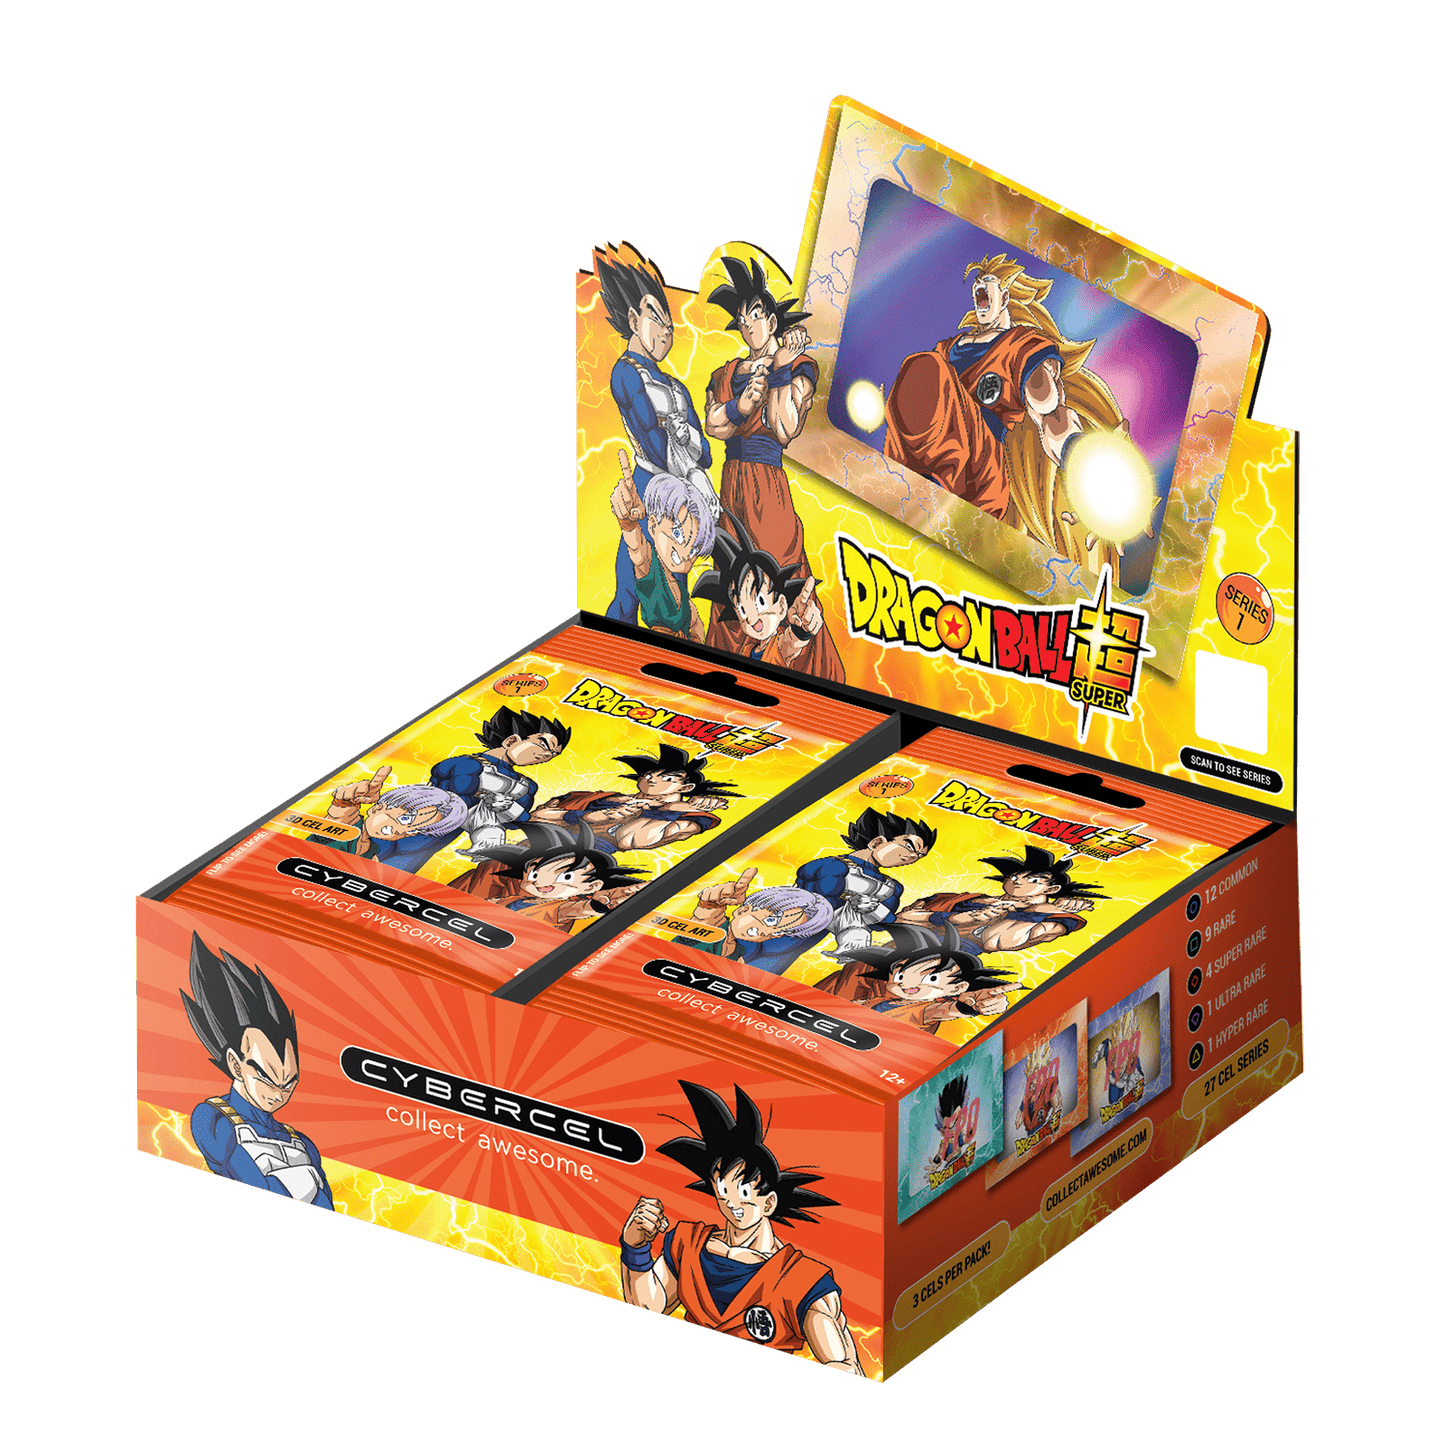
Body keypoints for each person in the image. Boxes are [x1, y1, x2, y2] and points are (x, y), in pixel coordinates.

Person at [884, 252, 1133, 571]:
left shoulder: (1022, 347)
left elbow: (1052, 418)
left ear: (1005, 297)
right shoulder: (950, 348)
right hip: (917, 462)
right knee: (921, 368)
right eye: (976, 287)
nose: (978, 291)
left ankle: (933, 493)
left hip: (980, 473)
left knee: (927, 368)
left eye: (987, 285)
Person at [619, 1080, 861, 1373]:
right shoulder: (688, 1244)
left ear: (769, 1202)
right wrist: (635, 1247)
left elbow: (843, 1365)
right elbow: (649, 1307)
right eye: (723, 1189)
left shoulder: (801, 1280)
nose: (731, 1202)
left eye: (744, 1191)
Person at [701, 255, 844, 681]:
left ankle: (807, 675)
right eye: (742, 319)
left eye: (756, 314)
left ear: (772, 318)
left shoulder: (797, 365)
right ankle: (724, 676)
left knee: (780, 572)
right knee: (730, 585)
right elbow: (715, 424)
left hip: (768, 488)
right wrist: (741, 405)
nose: (748, 324)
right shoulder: (727, 373)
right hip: (732, 486)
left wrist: (780, 369)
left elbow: (783, 427)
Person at [592, 241, 717, 624]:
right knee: (632, 586)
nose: (666, 331)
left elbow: (705, 453)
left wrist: (686, 443)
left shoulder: (677, 387)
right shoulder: (626, 373)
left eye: (669, 324)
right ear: (634, 320)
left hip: (684, 494)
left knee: (676, 588)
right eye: (656, 319)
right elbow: (654, 441)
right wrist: (684, 448)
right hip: (650, 487)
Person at [180, 932, 334, 1209]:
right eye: (268, 1080)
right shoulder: (212, 1119)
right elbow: (254, 1185)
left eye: (289, 1083)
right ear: (235, 1065)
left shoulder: (302, 1142)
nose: (280, 1094)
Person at [531, 744, 743, 856]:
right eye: (648, 775)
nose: (652, 780)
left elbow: (632, 839)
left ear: (685, 788)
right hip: (538, 843)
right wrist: (587, 816)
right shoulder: (601, 798)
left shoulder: (690, 818)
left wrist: (671, 809)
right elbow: (535, 817)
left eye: (667, 778)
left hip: (583, 858)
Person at [814, 923, 1021, 1035]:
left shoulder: (927, 1006)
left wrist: (968, 1007)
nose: (907, 982)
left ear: (959, 987)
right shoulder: (868, 973)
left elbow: (935, 1011)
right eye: (901, 974)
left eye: (931, 976)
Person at [897, 845, 1106, 955]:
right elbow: (901, 918)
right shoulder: (969, 899)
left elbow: (998, 941)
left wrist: (1042, 910)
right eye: (1013, 877)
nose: (1017, 882)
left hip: (948, 958)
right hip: (903, 944)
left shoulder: (1056, 918)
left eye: (1033, 880)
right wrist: (954, 918)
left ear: (1051, 889)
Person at [448, 822, 646, 930]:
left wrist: (593, 906)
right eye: (535, 872)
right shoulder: (499, 872)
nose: (541, 881)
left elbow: (563, 911)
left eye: (564, 876)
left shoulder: (567, 901)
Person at [610, 449, 713, 642]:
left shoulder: (681, 590)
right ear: (652, 525)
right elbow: (637, 549)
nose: (685, 553)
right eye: (677, 535)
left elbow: (696, 623)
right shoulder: (651, 571)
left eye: (693, 550)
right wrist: (628, 524)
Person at [680, 867, 834, 972]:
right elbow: (704, 921)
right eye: (771, 921)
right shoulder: (714, 929)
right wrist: (711, 903)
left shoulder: (739, 951)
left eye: (779, 932)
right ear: (743, 910)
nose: (768, 933)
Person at [307, 765, 468, 864]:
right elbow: (337, 820)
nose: (402, 831)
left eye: (414, 830)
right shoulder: (347, 829)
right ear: (377, 809)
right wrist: (345, 801)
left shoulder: (373, 850)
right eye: (405, 818)